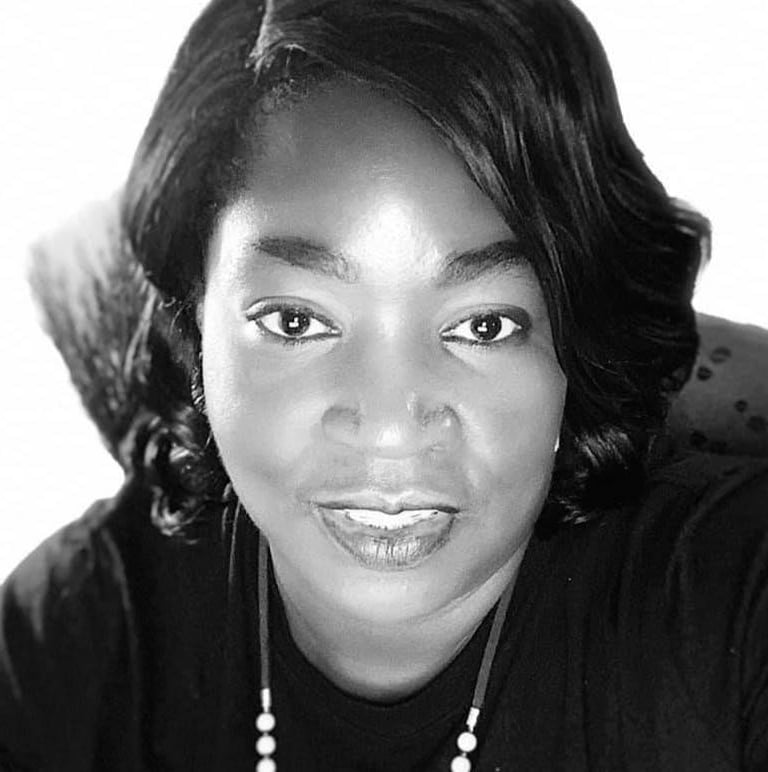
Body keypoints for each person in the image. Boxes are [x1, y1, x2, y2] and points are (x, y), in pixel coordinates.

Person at [1, 0, 766, 769]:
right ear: (193, 322)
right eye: (297, 321)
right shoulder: (79, 633)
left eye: (484, 326)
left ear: (576, 338)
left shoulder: (730, 601)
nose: (393, 427)